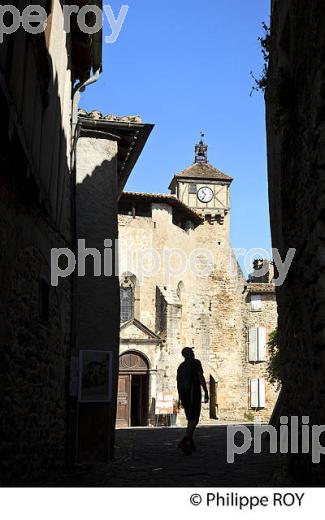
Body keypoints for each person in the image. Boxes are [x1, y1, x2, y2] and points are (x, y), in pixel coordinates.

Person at [177, 347, 209, 454]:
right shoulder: (195, 363)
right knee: (194, 419)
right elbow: (201, 377)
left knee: (190, 418)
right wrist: (206, 392)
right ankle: (185, 440)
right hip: (193, 392)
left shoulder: (181, 366)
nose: (193, 353)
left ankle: (190, 442)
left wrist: (180, 398)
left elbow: (178, 383)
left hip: (184, 395)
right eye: (192, 352)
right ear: (189, 354)